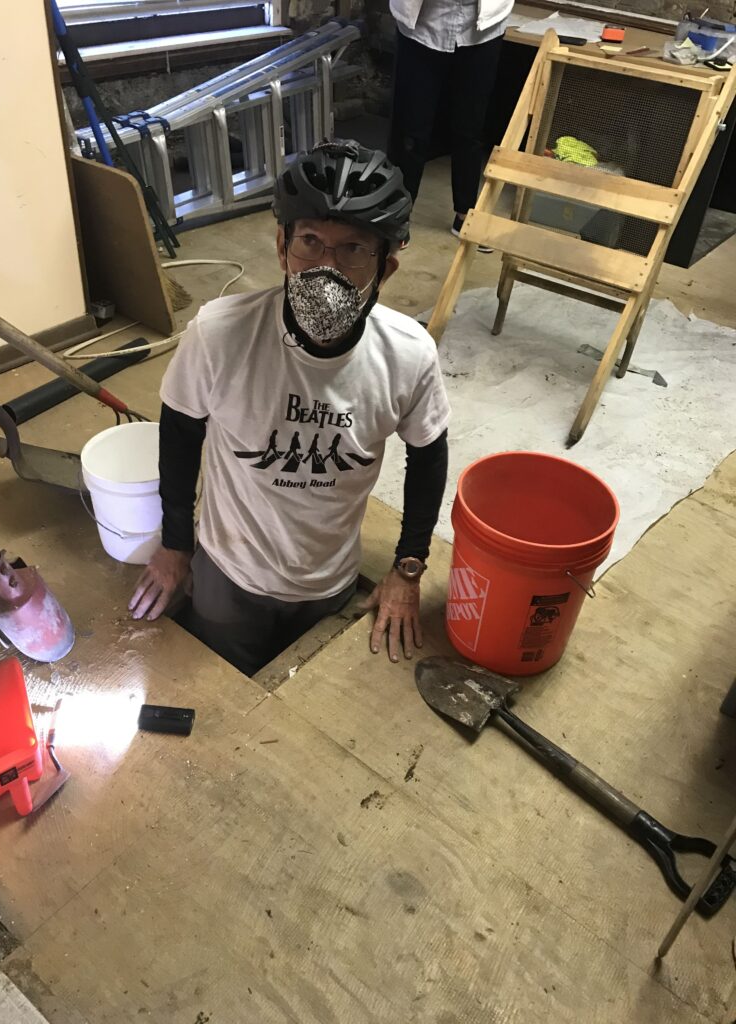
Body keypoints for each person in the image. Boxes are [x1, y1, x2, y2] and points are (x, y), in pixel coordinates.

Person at [129, 140, 450, 676]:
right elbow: (180, 436)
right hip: (229, 575)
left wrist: (408, 569)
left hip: (330, 582)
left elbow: (428, 455)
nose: (326, 266)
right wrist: (174, 546)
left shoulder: (408, 355)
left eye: (352, 249)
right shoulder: (219, 334)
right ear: (281, 247)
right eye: (310, 241)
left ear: (385, 268)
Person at [388, 0, 512, 244]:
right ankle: (398, 215)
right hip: (423, 23)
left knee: (471, 127)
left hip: (481, 28)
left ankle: (466, 213)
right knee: (412, 128)